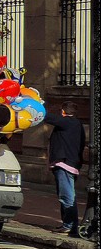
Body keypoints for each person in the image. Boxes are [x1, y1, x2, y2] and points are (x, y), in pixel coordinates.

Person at [43, 100, 86, 236]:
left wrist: (38, 106)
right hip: (69, 163)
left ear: (63, 112)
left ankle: (70, 225)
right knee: (65, 195)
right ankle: (66, 224)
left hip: (65, 164)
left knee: (67, 196)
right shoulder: (77, 124)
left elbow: (46, 117)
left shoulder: (68, 122)